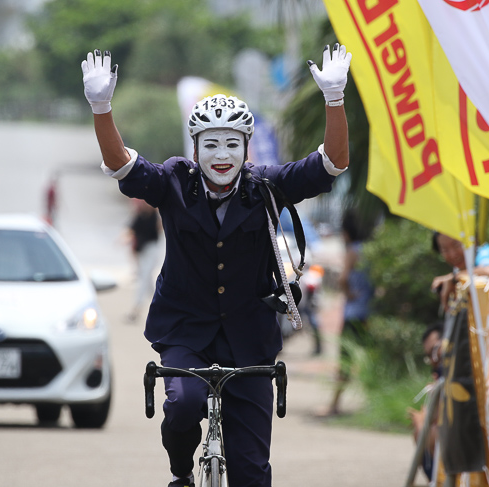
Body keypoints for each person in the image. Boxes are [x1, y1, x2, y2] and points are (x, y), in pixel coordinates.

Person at [81, 43, 352, 487]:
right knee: (184, 404)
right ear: (195, 148)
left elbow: (331, 164)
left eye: (231, 143)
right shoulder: (173, 182)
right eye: (210, 144)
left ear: (246, 148)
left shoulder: (265, 186)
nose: (221, 155)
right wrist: (101, 107)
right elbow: (121, 166)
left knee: (251, 472)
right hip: (184, 329)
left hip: (250, 337)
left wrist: (335, 100)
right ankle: (182, 473)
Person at [318, 207, 374, 417]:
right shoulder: (370, 249)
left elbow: (342, 279)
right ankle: (371, 403)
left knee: (345, 361)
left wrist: (348, 293)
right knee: (370, 358)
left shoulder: (353, 251)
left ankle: (334, 404)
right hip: (369, 311)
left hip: (353, 312)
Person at [430, 231, 489, 312]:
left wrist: (454, 278)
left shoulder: (485, 253)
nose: (453, 254)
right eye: (445, 250)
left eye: (457, 245)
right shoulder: (461, 270)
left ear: (473, 240)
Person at [408, 321, 444, 482]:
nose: (433, 360)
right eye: (429, 356)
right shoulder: (440, 374)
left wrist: (423, 425)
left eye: (435, 351)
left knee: (428, 430)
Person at [127, 198, 162, 323]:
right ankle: (160, 305)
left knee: (144, 278)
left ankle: (136, 308)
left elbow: (161, 230)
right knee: (147, 280)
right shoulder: (139, 216)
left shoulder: (156, 216)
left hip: (152, 249)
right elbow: (132, 232)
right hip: (142, 250)